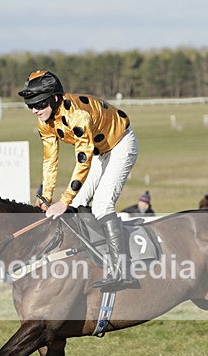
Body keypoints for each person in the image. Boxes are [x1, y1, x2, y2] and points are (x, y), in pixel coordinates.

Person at [19, 70, 139, 290]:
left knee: (102, 204)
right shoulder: (44, 121)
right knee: (77, 204)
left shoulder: (78, 116)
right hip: (98, 151)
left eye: (39, 104)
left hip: (121, 144)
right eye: (30, 106)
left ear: (54, 99)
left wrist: (63, 200)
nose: (35, 110)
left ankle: (123, 270)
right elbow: (50, 161)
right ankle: (100, 256)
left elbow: (82, 162)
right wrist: (46, 195)